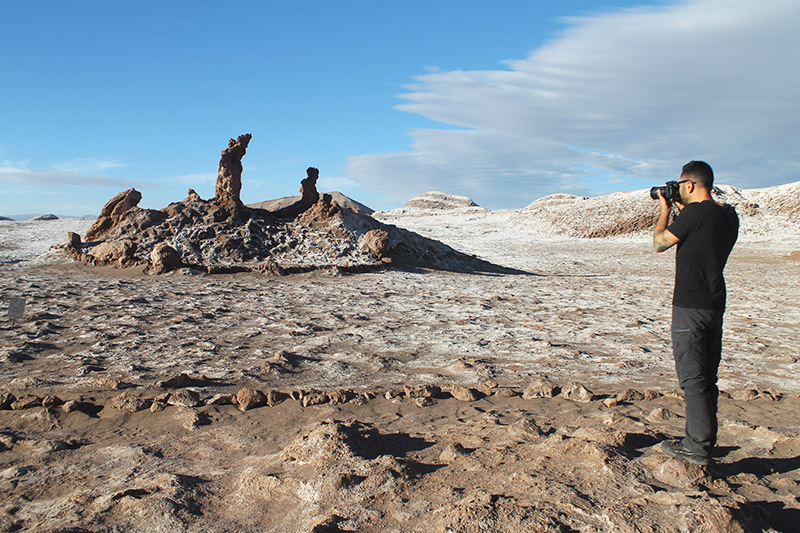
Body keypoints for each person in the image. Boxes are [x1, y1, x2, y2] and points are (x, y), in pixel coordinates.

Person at [652, 160, 739, 466]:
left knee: (692, 379)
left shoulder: (694, 214)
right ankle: (703, 440)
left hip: (689, 307)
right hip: (715, 304)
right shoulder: (729, 217)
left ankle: (697, 447)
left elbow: (660, 243)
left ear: (689, 185)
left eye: (680, 185)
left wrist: (665, 209)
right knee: (708, 378)